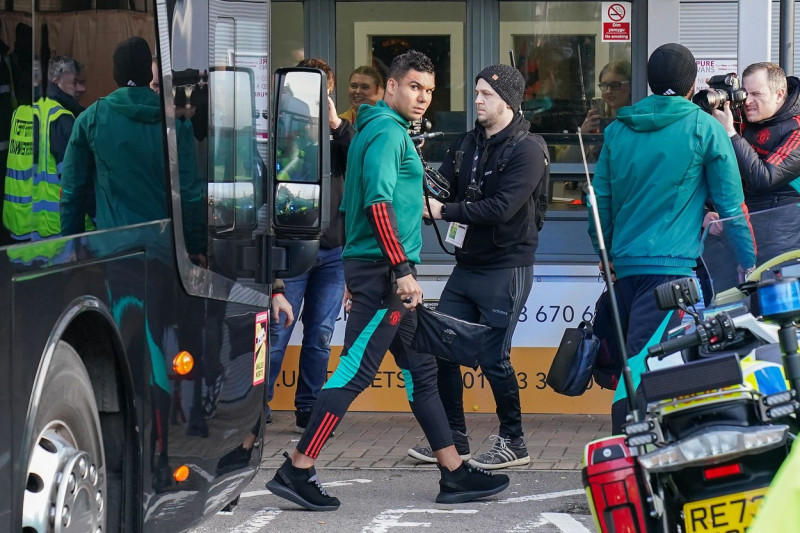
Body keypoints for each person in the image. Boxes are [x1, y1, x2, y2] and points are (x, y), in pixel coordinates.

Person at [265, 50, 509, 512]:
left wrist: (363, 266)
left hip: (376, 268)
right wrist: (400, 270)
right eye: (415, 87)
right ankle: (297, 467)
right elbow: (376, 203)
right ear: (391, 86)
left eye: (430, 91)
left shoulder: (376, 128)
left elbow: (356, 204)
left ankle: (453, 471)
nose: (423, 98)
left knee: (422, 373)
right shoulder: (386, 133)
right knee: (355, 372)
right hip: (384, 275)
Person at [588, 43, 755, 433]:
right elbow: (731, 206)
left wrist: (605, 252)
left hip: (625, 270)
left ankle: (644, 445)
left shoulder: (617, 130)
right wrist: (749, 261)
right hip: (672, 275)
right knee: (645, 366)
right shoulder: (705, 128)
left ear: (648, 81)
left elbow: (601, 201)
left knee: (637, 361)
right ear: (691, 84)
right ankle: (627, 449)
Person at [411, 64, 546, 470]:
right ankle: (454, 438)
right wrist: (416, 165)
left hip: (507, 266)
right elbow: (444, 187)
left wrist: (442, 211)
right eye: (476, 92)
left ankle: (513, 441)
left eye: (486, 94)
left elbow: (501, 208)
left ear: (509, 101)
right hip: (468, 265)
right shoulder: (467, 142)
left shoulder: (528, 148)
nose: (477, 100)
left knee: (493, 358)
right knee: (441, 347)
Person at [266, 58, 354, 431]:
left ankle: (308, 408)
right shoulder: (282, 129)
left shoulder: (340, 134)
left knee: (320, 335)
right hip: (291, 249)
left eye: (322, 91)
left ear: (329, 91)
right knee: (277, 333)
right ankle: (257, 408)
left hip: (333, 252)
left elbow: (360, 158)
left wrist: (334, 124)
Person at [710, 62, 800, 264]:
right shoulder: (745, 119)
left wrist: (730, 133)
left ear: (779, 94)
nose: (748, 101)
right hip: (740, 243)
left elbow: (764, 178)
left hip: (782, 251)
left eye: (757, 94)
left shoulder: (796, 128)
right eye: (745, 93)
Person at [32, 56, 87, 240]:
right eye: (75, 83)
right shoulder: (62, 118)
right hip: (61, 225)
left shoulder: (29, 110)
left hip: (31, 223)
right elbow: (73, 180)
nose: (81, 89)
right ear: (56, 82)